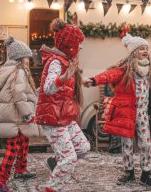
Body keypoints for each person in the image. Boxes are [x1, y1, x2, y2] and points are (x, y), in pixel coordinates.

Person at [84, 33, 151, 187]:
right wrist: (94, 80)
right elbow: (110, 75)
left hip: (143, 113)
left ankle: (146, 173)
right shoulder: (125, 70)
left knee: (146, 144)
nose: (145, 51)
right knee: (127, 144)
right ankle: (129, 172)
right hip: (126, 113)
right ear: (134, 52)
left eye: (146, 48)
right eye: (141, 49)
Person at [34, 18, 90, 192]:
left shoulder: (68, 61)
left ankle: (55, 161)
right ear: (70, 46)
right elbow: (48, 88)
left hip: (65, 117)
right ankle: (52, 188)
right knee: (69, 158)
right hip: (53, 118)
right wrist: (63, 78)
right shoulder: (56, 63)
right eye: (78, 44)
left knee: (83, 147)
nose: (80, 48)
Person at [0, 36, 38, 192]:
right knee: (13, 148)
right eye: (27, 57)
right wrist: (27, 114)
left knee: (24, 141)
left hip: (15, 114)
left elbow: (24, 91)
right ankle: (0, 181)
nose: (29, 61)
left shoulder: (11, 69)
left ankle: (21, 170)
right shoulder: (19, 71)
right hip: (16, 115)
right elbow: (18, 93)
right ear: (21, 58)